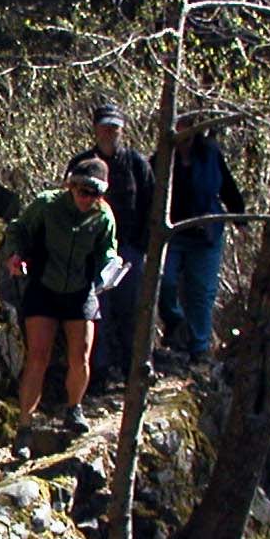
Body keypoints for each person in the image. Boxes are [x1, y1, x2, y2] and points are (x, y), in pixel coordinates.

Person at [0, 153, 117, 430]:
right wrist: (15, 255)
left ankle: (74, 409)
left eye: (94, 193)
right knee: (38, 356)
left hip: (81, 289)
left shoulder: (103, 217)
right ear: (71, 187)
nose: (87, 198)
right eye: (83, 191)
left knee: (81, 354)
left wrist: (111, 265)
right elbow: (18, 229)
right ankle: (25, 425)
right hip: (44, 285)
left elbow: (108, 249)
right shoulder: (47, 204)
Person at [159, 112, 245, 364]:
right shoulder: (163, 159)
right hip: (172, 233)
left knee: (200, 291)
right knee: (164, 282)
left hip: (206, 235)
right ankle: (176, 325)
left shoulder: (209, 155)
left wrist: (239, 216)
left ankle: (199, 347)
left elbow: (227, 187)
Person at [86, 101, 155, 387]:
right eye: (104, 127)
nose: (109, 132)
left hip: (129, 250)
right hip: (91, 251)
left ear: (122, 130)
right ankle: (98, 372)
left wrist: (143, 245)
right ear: (95, 129)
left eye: (114, 127)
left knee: (131, 310)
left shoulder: (137, 164)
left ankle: (132, 368)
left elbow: (152, 204)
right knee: (98, 311)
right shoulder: (84, 164)